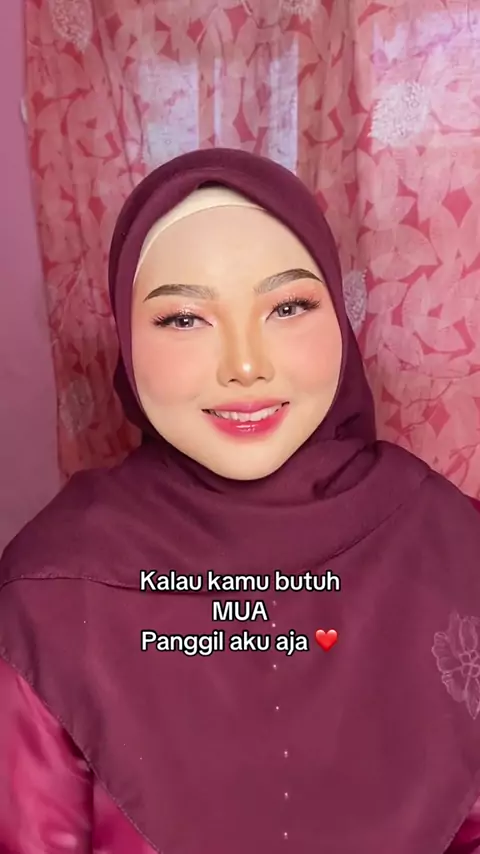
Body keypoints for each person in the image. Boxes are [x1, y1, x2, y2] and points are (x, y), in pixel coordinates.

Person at [0, 148, 480, 854]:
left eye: (288, 307)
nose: (246, 365)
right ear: (126, 339)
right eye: (183, 319)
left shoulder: (451, 539)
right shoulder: (49, 596)